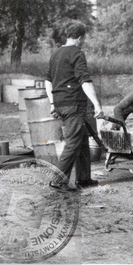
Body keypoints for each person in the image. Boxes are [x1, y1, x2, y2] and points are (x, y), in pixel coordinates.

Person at [45, 20, 104, 192]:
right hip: (73, 105)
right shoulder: (77, 53)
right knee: (72, 143)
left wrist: (52, 103)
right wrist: (97, 105)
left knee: (82, 140)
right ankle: (57, 181)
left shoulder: (56, 54)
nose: (83, 41)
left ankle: (84, 179)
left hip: (60, 104)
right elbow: (84, 81)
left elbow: (48, 81)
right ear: (79, 38)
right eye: (83, 39)